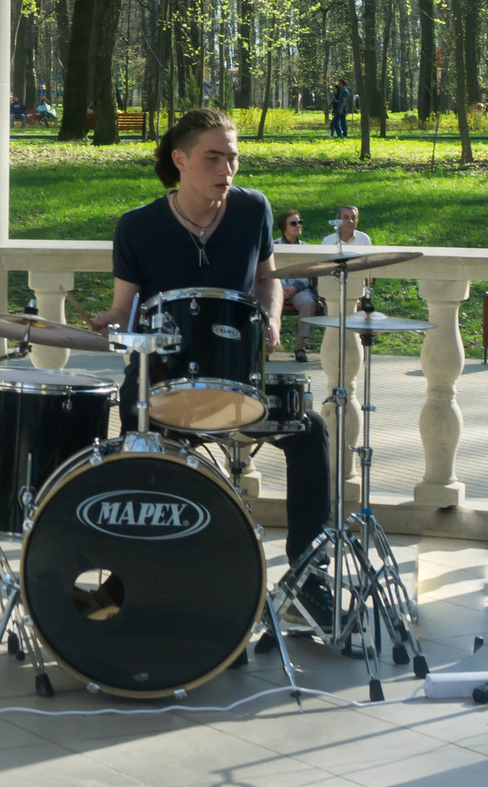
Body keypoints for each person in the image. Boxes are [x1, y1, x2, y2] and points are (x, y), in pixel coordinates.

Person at [87, 108, 333, 622]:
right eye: (214, 157)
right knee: (143, 448)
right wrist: (107, 321)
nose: (227, 169)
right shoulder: (137, 226)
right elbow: (124, 306)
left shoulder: (253, 210)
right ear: (180, 160)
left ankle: (308, 574)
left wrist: (271, 316)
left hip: (237, 379)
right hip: (160, 387)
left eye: (234, 157)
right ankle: (147, 578)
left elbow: (268, 279)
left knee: (309, 431)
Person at [274, 209, 320, 317]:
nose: (298, 225)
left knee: (307, 303)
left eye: (300, 222)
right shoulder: (272, 247)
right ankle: (270, 334)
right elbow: (268, 271)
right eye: (293, 223)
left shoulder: (306, 249)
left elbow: (306, 273)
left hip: (299, 290)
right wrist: (280, 288)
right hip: (277, 289)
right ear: (284, 227)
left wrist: (294, 288)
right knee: (266, 302)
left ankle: (303, 335)